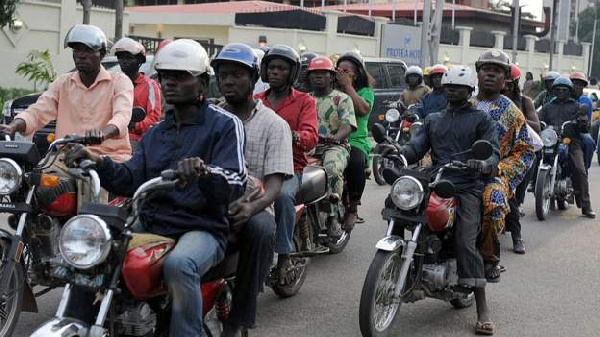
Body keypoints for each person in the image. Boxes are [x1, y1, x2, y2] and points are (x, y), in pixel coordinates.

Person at [62, 39, 247, 336]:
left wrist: (204, 173)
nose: (170, 82)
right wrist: (96, 160)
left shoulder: (224, 125)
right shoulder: (155, 133)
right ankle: (80, 323)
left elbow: (236, 181)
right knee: (92, 253)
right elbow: (129, 178)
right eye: (165, 76)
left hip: (200, 226)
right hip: (151, 221)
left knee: (179, 265)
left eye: (180, 76)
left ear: (202, 82)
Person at [401, 65, 499, 336]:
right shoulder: (433, 119)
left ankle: (482, 309)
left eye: (458, 87)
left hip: (467, 185)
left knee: (465, 239)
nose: (451, 91)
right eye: (448, 87)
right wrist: (400, 154)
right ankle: (402, 266)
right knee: (399, 207)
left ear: (470, 91)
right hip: (436, 179)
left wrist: (483, 163)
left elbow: (492, 153)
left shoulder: (481, 119)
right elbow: (417, 146)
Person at [211, 43, 294, 337]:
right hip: (208, 202)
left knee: (261, 229)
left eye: (236, 74)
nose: (228, 81)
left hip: (253, 204)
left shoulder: (275, 125)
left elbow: (273, 187)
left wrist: (249, 208)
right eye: (223, 75)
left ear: (253, 77)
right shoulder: (210, 117)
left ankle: (239, 318)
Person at [0, 24, 133, 205]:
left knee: (90, 185)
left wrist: (103, 133)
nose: (80, 55)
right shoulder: (63, 83)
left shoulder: (119, 81)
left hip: (105, 157)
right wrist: (14, 125)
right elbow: (39, 110)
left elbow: (122, 115)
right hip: (66, 157)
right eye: (77, 50)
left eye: (87, 50)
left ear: (101, 54)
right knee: (31, 181)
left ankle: (87, 230)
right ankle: (32, 228)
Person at [254, 45, 318, 286]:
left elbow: (311, 137)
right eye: (271, 67)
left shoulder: (305, 101)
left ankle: (284, 255)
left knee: (280, 197)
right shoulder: (256, 100)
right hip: (256, 166)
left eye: (281, 68)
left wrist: (289, 135)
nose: (275, 72)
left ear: (291, 73)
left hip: (289, 167)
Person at [474, 49, 534, 282]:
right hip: (458, 171)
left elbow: (525, 152)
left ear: (506, 79)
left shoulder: (512, 112)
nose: (490, 74)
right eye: (485, 69)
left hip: (493, 175)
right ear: (477, 74)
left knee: (495, 202)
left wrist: (499, 169)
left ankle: (489, 259)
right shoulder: (464, 103)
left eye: (497, 70)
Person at [307, 56, 357, 237]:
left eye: (323, 73)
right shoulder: (305, 99)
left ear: (332, 76)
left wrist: (335, 138)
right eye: (315, 73)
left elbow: (347, 126)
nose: (319, 76)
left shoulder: (342, 99)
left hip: (334, 147)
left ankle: (332, 217)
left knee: (332, 169)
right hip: (307, 147)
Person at [539, 77, 596, 219]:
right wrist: (537, 123)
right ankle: (535, 183)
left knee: (580, 169)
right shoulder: (548, 107)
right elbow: (538, 118)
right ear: (553, 90)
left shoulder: (576, 106)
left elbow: (585, 126)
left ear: (569, 91)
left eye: (564, 89)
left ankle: (586, 206)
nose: (560, 92)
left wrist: (582, 122)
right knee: (533, 156)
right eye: (557, 89)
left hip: (571, 141)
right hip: (551, 140)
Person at [501, 64, 540, 255]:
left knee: (509, 194)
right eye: (503, 84)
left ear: (516, 83)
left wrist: (517, 117)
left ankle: (517, 237)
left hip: (515, 152)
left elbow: (537, 127)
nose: (504, 87)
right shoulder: (487, 100)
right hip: (491, 151)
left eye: (509, 84)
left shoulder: (524, 102)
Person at [335, 51, 375, 230]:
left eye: (346, 71)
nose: (341, 74)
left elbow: (362, 110)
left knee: (355, 162)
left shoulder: (366, 92)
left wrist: (347, 86)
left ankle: (352, 208)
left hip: (355, 141)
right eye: (338, 70)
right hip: (331, 139)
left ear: (356, 74)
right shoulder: (332, 92)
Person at [112, 37, 162, 146]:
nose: (123, 61)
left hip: (137, 140)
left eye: (128, 58)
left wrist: (134, 125)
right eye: (120, 57)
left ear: (140, 61)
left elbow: (154, 117)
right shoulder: (113, 83)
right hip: (112, 137)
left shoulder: (150, 85)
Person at [570, 72, 596, 170]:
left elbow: (587, 122)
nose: (577, 87)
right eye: (575, 83)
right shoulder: (561, 98)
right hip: (562, 131)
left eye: (580, 85)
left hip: (580, 132)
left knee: (589, 142)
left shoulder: (587, 101)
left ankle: (585, 170)